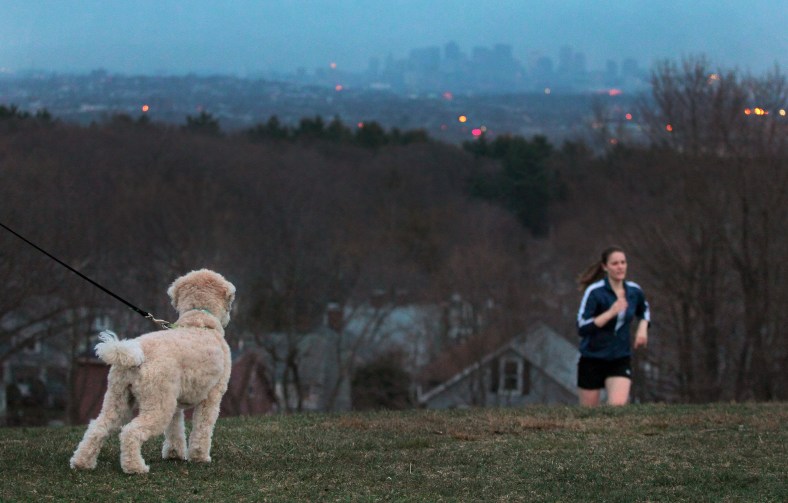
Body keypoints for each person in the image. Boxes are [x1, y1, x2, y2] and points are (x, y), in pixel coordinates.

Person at [575, 246, 650, 406]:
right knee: (588, 415)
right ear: (605, 266)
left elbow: (644, 310)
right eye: (615, 263)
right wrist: (611, 312)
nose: (620, 267)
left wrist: (643, 329)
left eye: (623, 262)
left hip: (619, 357)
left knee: (617, 407)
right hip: (592, 357)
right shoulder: (594, 292)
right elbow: (582, 327)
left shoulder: (634, 291)